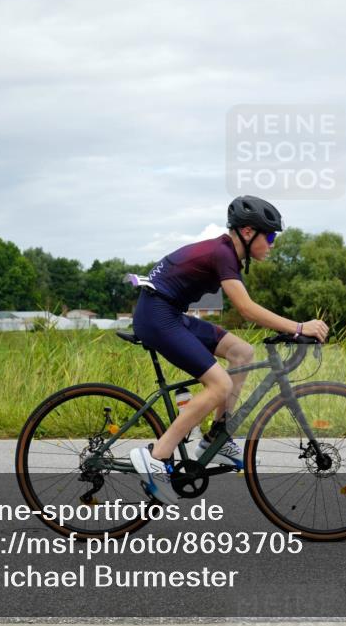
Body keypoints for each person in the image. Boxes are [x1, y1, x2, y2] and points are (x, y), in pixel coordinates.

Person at [129, 195, 329, 504]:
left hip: (169, 313)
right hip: (157, 317)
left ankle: (216, 438)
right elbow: (247, 309)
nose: (273, 244)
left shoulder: (226, 253)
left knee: (242, 352)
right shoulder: (223, 253)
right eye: (271, 236)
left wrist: (292, 329)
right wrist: (299, 327)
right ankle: (156, 456)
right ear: (248, 233)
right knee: (219, 383)